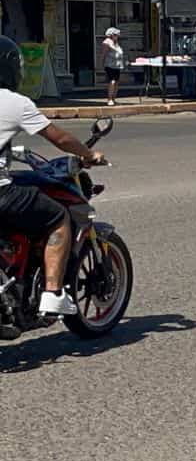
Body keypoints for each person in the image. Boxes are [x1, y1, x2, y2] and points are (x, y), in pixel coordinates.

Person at [0, 37, 106, 316]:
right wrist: (88, 154)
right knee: (57, 218)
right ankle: (52, 293)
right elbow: (59, 138)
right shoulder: (14, 103)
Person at [98, 27, 123, 107]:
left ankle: (114, 98)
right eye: (115, 35)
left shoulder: (115, 43)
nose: (117, 36)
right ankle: (110, 99)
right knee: (112, 82)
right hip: (110, 65)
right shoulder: (107, 42)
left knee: (116, 82)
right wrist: (101, 64)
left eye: (117, 35)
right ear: (111, 35)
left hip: (117, 65)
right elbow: (103, 54)